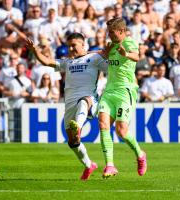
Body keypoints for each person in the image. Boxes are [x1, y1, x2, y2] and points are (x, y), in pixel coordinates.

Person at [25, 32, 108, 180]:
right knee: (73, 142)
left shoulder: (95, 58)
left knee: (84, 101)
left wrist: (109, 55)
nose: (70, 49)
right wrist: (35, 50)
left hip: (90, 98)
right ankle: (89, 165)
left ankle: (79, 126)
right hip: (69, 103)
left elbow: (112, 69)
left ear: (83, 45)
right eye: (69, 46)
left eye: (73, 45)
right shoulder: (68, 62)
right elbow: (47, 62)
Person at [98, 18, 147, 179]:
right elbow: (103, 55)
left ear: (121, 31)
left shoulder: (129, 43)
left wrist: (126, 54)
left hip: (125, 91)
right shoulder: (111, 45)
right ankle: (110, 165)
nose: (109, 35)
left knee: (121, 132)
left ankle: (140, 154)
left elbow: (136, 55)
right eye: (108, 32)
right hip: (109, 90)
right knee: (103, 124)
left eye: (112, 32)